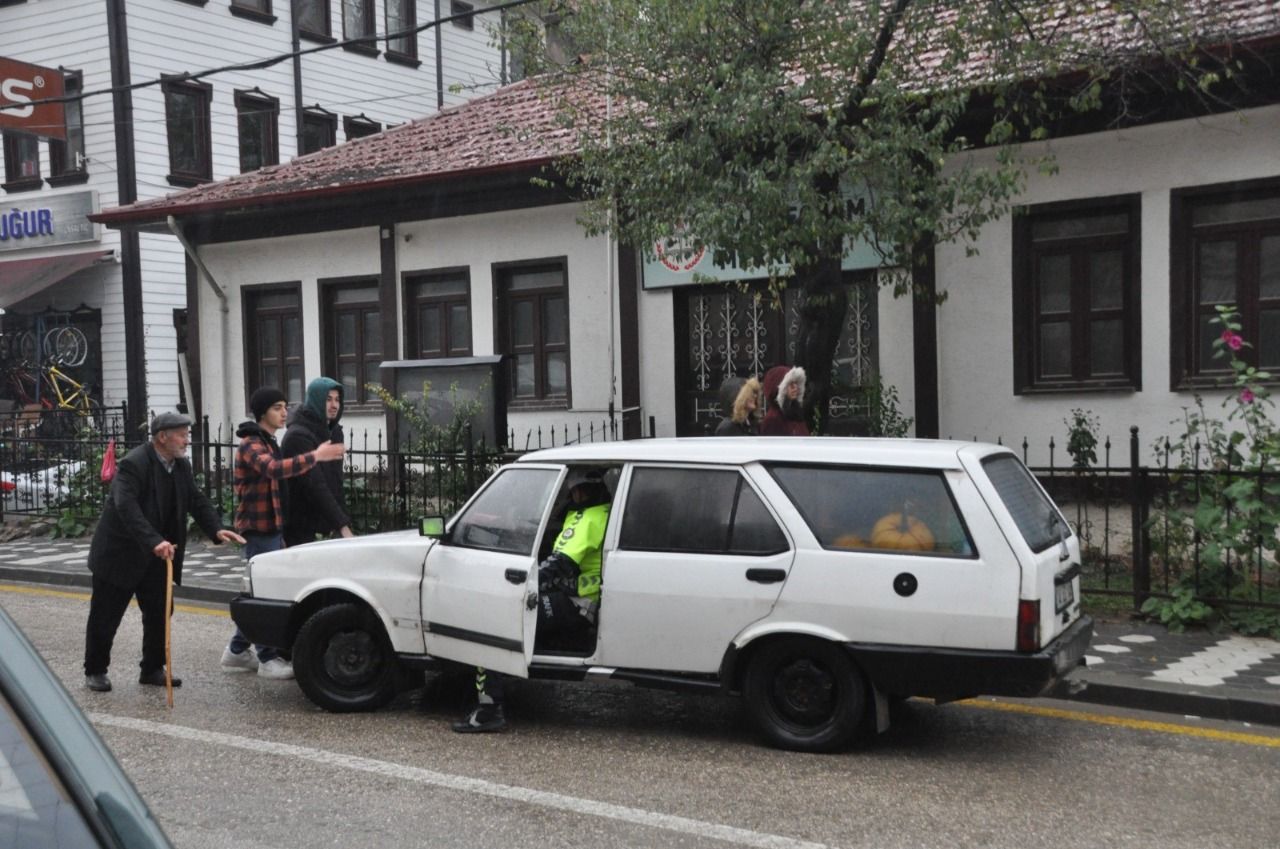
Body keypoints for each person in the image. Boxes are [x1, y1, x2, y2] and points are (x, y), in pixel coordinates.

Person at [83, 412, 246, 693]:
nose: (187, 441)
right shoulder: (134, 464)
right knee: (106, 614)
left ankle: (153, 668)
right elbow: (126, 507)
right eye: (182, 435)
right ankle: (95, 670)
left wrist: (216, 529)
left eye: (187, 434)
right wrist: (153, 540)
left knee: (160, 610)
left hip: (158, 555)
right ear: (162, 437)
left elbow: (195, 499)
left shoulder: (179, 465)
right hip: (120, 553)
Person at [453, 470, 612, 733]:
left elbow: (559, 565)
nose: (571, 496)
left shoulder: (588, 518)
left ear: (581, 491)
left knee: (493, 624)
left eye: (572, 491)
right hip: (581, 600)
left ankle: (489, 710)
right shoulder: (601, 511)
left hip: (576, 605)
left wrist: (520, 582)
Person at [221, 387, 346, 678]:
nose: (284, 413)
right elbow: (274, 470)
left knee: (264, 592)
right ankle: (266, 658)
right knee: (265, 594)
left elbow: (282, 487)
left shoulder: (270, 441)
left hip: (273, 528)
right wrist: (316, 455)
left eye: (285, 407)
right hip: (257, 530)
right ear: (263, 412)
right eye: (278, 407)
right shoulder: (251, 444)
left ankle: (237, 651)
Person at [281, 377, 354, 546]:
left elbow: (336, 482)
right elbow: (315, 485)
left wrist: (342, 522)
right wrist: (342, 526)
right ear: (316, 400)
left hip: (327, 525)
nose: (334, 405)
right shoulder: (297, 436)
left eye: (337, 400)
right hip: (301, 527)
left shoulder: (333, 432)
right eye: (328, 399)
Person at [759, 365, 809, 436]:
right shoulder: (773, 420)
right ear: (779, 389)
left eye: (796, 383)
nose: (795, 387)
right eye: (790, 383)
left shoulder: (795, 414)